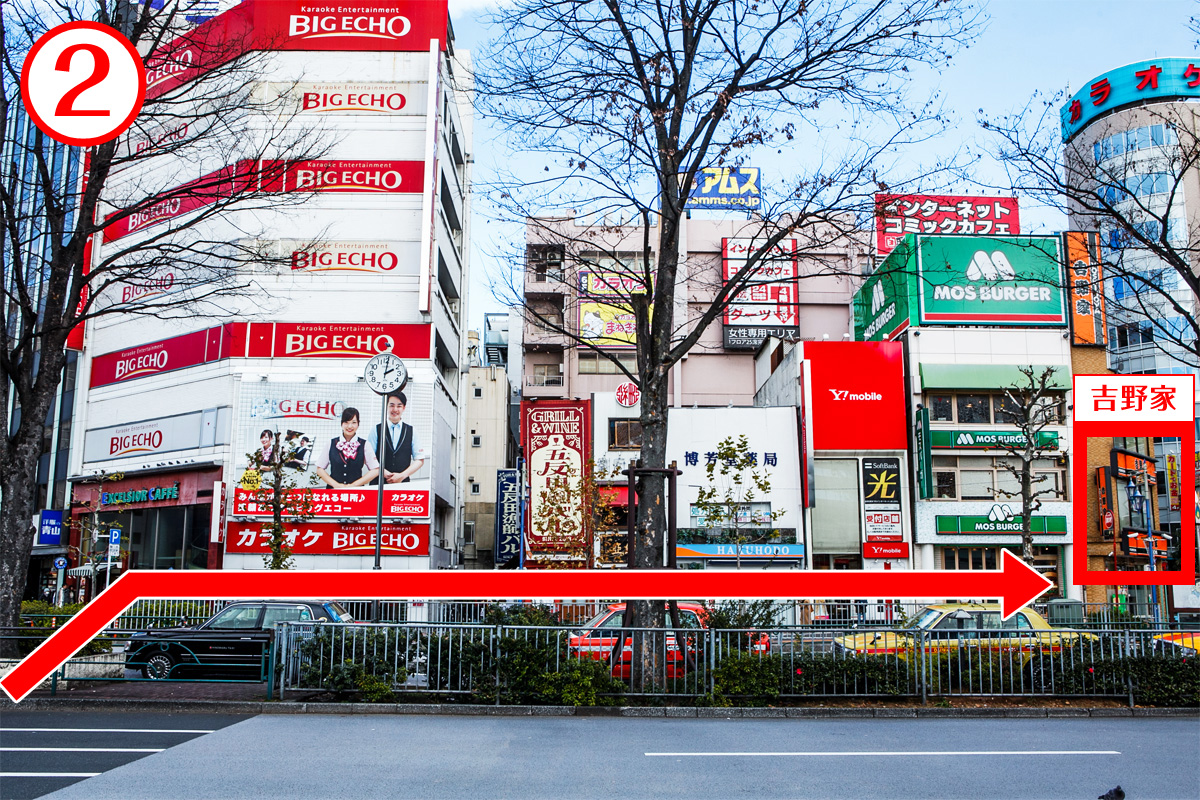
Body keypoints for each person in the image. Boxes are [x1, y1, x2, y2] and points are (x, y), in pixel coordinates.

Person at [366, 392, 425, 484]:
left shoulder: (412, 431)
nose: (395, 409)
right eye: (391, 405)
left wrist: (402, 476)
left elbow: (419, 460)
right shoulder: (376, 429)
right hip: (378, 482)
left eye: (399, 406)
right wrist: (384, 473)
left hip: (402, 485)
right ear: (386, 406)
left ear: (404, 408)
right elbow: (368, 457)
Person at [314, 407, 380, 488]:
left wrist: (354, 485)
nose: (350, 426)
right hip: (334, 492)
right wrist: (336, 485)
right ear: (341, 423)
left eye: (354, 422)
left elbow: (375, 470)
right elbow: (319, 469)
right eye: (346, 422)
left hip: (356, 493)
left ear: (358, 424)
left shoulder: (365, 444)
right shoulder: (331, 443)